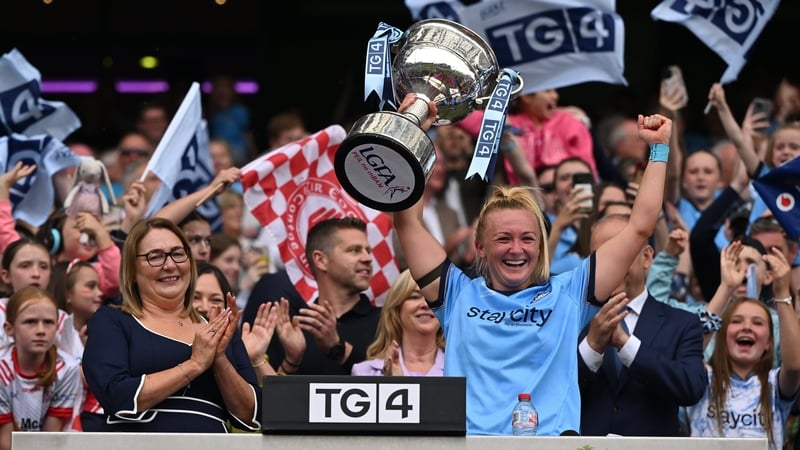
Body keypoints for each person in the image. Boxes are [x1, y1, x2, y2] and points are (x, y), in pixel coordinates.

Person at [392, 93, 672, 435]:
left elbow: (639, 226)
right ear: (479, 247)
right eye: (503, 239)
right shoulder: (455, 294)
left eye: (527, 239)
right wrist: (414, 134)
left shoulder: (571, 293)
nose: (516, 249)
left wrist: (658, 150)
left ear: (541, 247)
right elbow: (407, 222)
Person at [82, 218, 261, 432]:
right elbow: (116, 395)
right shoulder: (112, 320)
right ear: (132, 270)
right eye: (155, 257)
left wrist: (219, 359)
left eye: (178, 254)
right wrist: (194, 364)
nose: (170, 265)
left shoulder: (219, 327)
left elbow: (252, 415)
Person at [577, 214, 707, 436]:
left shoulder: (682, 323)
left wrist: (625, 344)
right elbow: (554, 389)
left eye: (619, 253)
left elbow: (691, 388)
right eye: (599, 256)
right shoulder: (574, 317)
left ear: (646, 258)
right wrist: (591, 347)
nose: (609, 264)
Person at [688, 245, 800, 449]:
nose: (747, 327)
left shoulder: (774, 385)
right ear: (721, 335)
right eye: (737, 321)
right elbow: (690, 351)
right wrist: (726, 287)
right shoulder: (702, 379)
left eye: (758, 323)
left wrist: (782, 292)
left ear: (768, 343)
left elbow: (794, 366)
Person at [251, 217, 382, 375]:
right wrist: (292, 361)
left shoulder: (387, 322)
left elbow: (395, 388)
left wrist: (338, 348)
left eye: (368, 251)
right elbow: (274, 397)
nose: (368, 259)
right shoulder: (293, 329)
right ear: (321, 260)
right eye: (354, 250)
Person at [0, 286, 82, 448]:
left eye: (48, 322)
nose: (41, 330)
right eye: (30, 322)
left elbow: (49, 438)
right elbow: (5, 441)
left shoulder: (68, 370)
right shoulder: (2, 371)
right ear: (9, 329)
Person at [352, 270, 444, 376]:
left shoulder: (463, 370)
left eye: (432, 297)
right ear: (397, 309)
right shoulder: (365, 372)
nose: (425, 304)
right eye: (414, 297)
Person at [47, 260, 105, 431]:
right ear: (68, 295)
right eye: (91, 286)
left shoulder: (102, 331)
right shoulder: (56, 325)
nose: (100, 293)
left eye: (99, 286)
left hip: (87, 422)